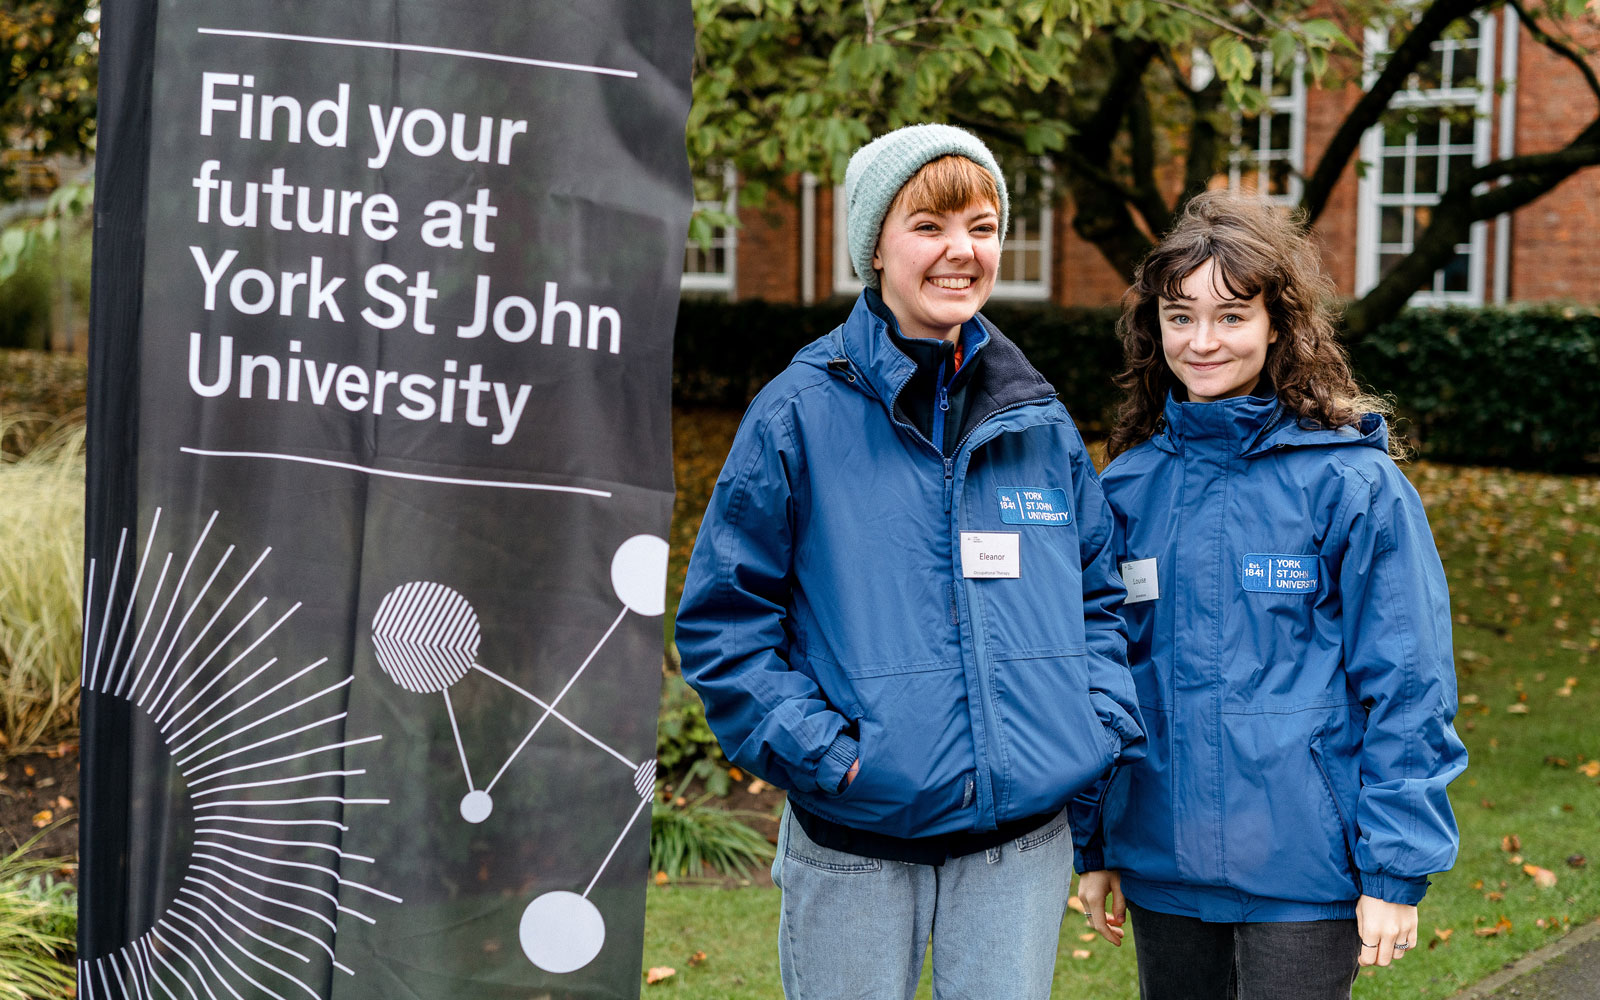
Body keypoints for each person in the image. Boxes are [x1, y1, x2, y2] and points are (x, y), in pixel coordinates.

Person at [674, 124, 1144, 1000]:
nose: (961, 251)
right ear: (875, 247)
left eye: (983, 224)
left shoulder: (1037, 419)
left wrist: (1094, 726)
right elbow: (724, 628)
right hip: (857, 842)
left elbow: (1098, 598)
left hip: (1018, 846)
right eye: (929, 225)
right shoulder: (796, 416)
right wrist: (831, 759)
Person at [1075, 191, 1467, 1000]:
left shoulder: (1353, 485)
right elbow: (1104, 675)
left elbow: (1408, 685)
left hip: (1307, 872)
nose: (1203, 341)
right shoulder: (1128, 486)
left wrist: (1394, 869)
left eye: (1230, 316)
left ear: (1279, 325)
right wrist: (1099, 841)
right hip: (1162, 863)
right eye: (1180, 317)